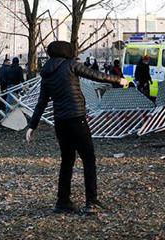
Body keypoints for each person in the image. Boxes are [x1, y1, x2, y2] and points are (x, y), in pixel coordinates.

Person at [25, 40, 126, 215]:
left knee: (67, 161)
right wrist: (119, 80)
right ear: (66, 52)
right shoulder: (71, 65)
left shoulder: (46, 74)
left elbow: (41, 103)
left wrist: (32, 126)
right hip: (76, 118)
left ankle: (62, 202)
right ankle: (91, 202)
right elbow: (96, 75)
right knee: (88, 158)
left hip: (60, 123)